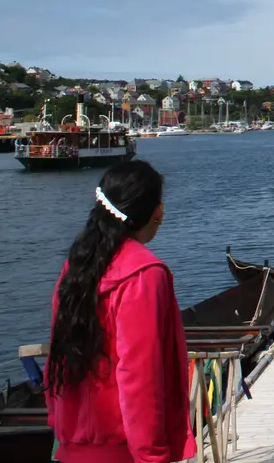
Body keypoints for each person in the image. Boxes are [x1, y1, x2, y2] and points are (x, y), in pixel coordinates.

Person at [47, 161, 197, 463]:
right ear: (155, 212)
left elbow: (57, 359)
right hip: (125, 452)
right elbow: (139, 376)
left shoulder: (76, 267)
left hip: (71, 447)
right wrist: (151, 456)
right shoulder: (144, 273)